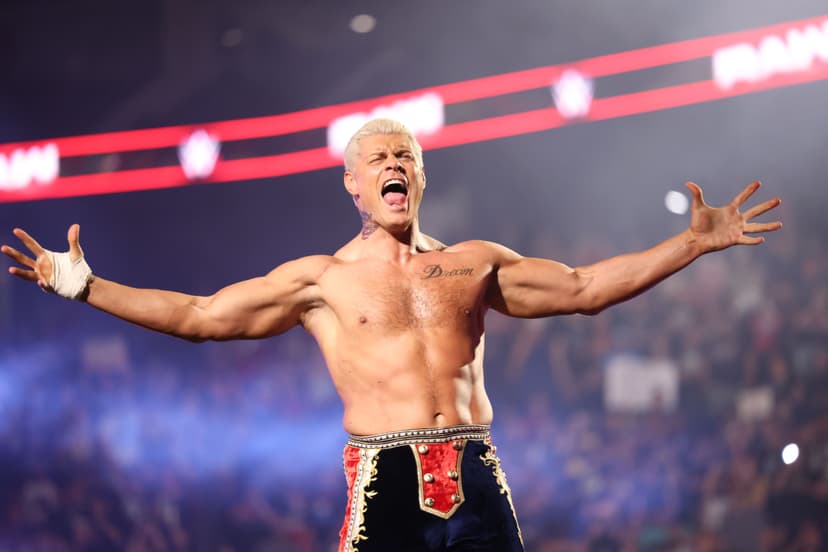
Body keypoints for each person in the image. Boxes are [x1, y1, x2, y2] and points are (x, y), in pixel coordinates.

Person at [2, 118, 781, 551]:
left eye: (404, 153)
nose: (393, 162)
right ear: (354, 185)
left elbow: (583, 290)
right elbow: (201, 318)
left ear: (421, 175)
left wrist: (689, 245)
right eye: (376, 157)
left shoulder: (474, 264)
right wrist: (88, 286)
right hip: (385, 480)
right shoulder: (322, 281)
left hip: (476, 470)